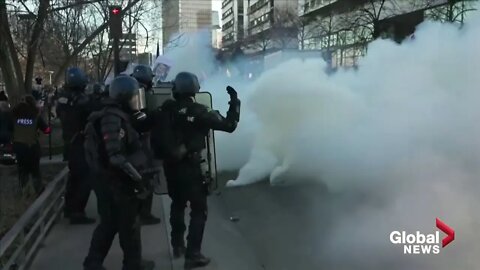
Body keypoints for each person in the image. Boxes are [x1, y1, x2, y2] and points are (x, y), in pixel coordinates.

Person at [150, 72, 240, 269]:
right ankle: (193, 254)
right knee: (199, 211)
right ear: (195, 89)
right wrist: (235, 102)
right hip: (191, 169)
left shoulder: (165, 110)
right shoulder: (199, 111)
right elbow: (229, 125)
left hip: (170, 166)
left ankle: (177, 245)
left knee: (177, 204)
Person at [83, 75, 155, 270]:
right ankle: (120, 264)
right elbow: (115, 156)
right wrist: (137, 178)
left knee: (118, 224)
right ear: (124, 97)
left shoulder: (119, 115)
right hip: (115, 182)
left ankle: (113, 262)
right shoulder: (112, 118)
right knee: (121, 225)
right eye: (133, 96)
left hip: (115, 181)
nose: (136, 100)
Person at [56, 67, 96, 224]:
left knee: (74, 177)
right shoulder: (80, 101)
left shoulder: (63, 99)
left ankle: (70, 208)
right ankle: (77, 211)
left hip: (70, 142)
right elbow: (90, 111)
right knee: (85, 178)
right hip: (79, 142)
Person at [130, 64, 161, 226]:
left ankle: (135, 211)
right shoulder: (145, 94)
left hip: (130, 142)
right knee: (148, 176)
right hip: (145, 141)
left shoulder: (128, 92)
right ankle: (144, 213)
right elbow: (154, 117)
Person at [11, 95, 51, 195]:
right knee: (35, 170)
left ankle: (24, 190)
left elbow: (10, 130)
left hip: (19, 147)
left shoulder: (14, 116)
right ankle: (38, 190)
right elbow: (46, 130)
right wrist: (49, 128)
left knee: (22, 169)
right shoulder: (36, 117)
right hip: (32, 147)